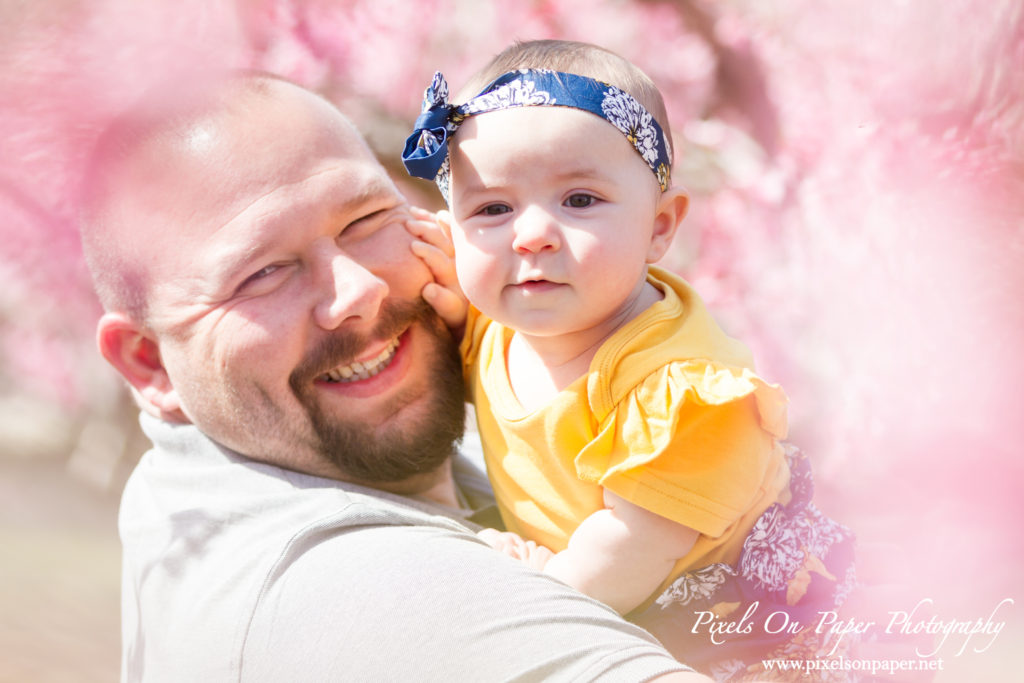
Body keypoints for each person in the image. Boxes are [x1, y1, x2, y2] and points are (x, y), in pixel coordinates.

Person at [79, 72, 711, 681]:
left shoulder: (205, 477)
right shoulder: (360, 593)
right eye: (262, 273)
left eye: (365, 221)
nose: (358, 291)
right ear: (150, 362)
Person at [402, 40, 856, 680]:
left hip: (740, 631)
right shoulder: (496, 329)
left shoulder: (681, 388)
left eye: (579, 200)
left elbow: (635, 543)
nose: (531, 234)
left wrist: (541, 594)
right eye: (493, 209)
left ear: (659, 228)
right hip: (611, 605)